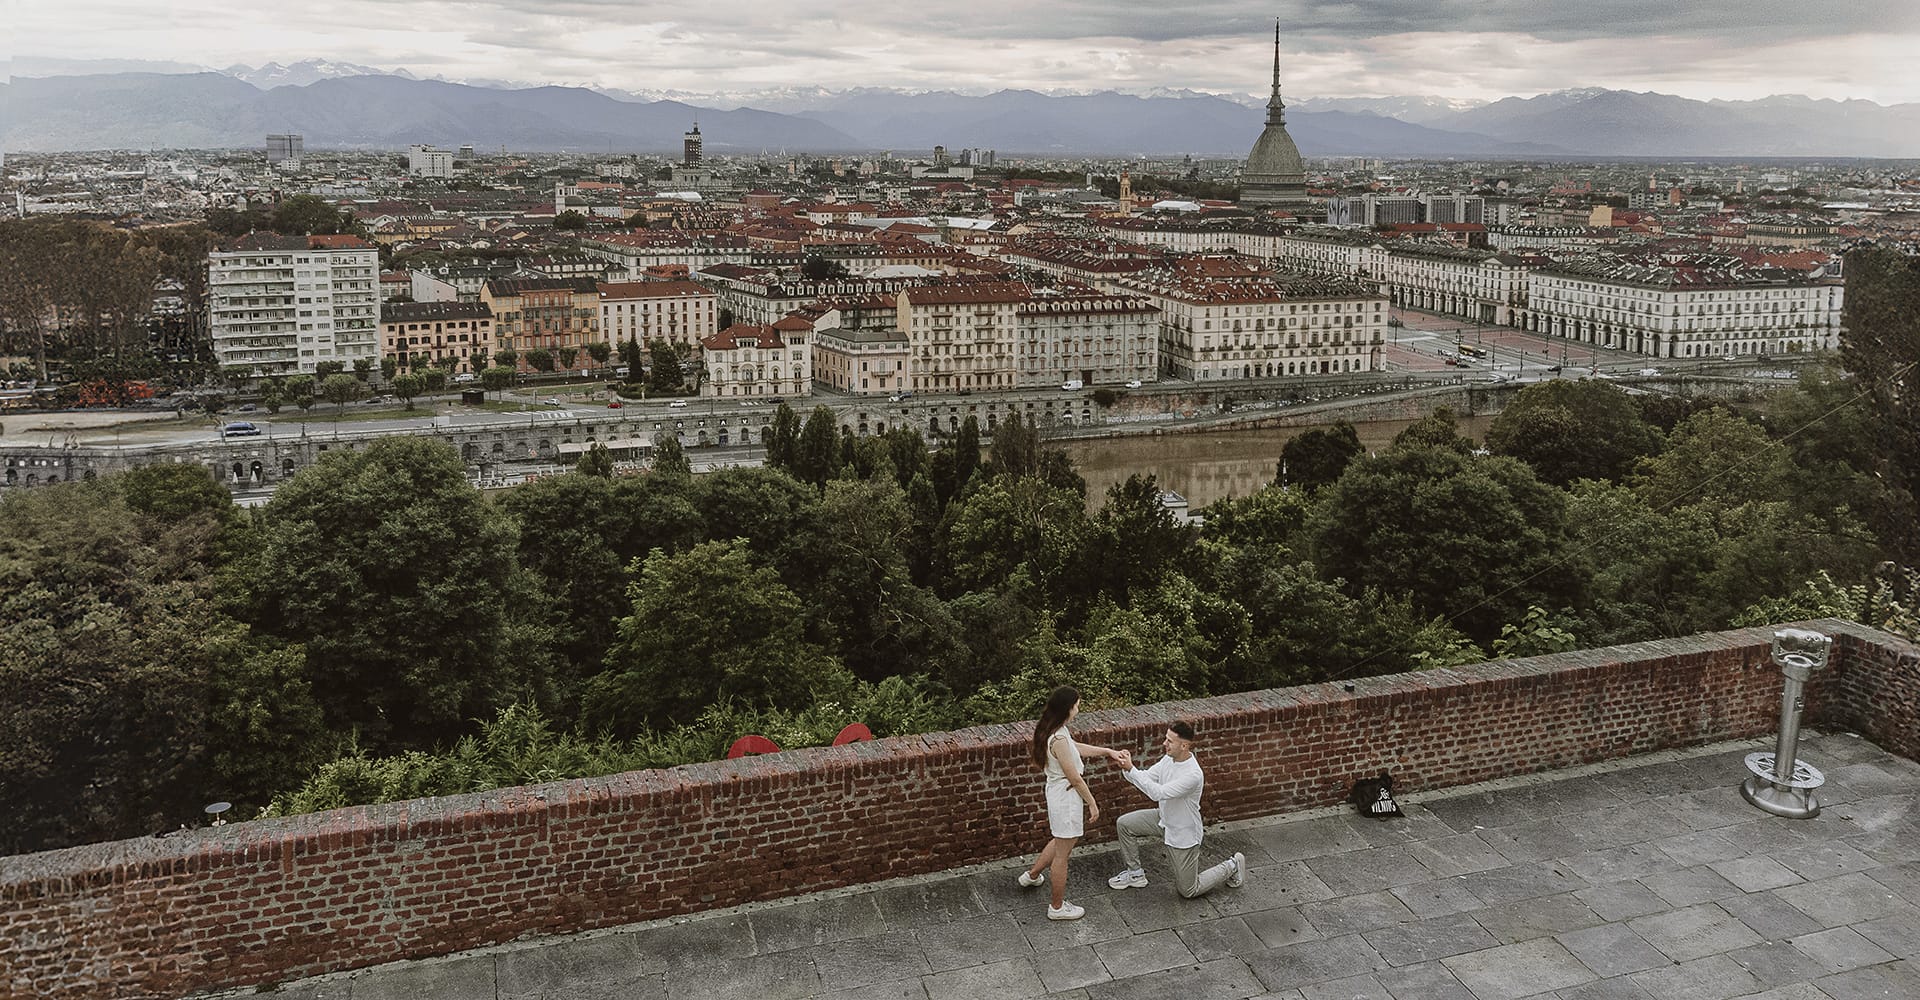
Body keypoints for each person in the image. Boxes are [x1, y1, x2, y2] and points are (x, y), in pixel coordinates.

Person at [1106, 721, 1246, 898]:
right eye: (1166, 739)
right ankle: (1135, 874)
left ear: (1184, 745)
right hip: (1163, 819)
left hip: (1183, 833)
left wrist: (1131, 769)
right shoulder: (1168, 759)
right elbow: (1146, 777)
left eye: (1169, 741)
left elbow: (1158, 793)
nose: (1164, 743)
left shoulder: (1193, 775)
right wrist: (1126, 767)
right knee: (1125, 824)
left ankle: (1233, 865)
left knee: (1188, 890)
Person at [1017, 686, 1122, 921]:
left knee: (1060, 840)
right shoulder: (1060, 738)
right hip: (1066, 798)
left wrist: (1107, 751)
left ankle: (1031, 876)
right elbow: (1074, 777)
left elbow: (1075, 749)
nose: (1078, 709)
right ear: (1068, 708)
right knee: (1063, 854)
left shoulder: (1055, 730)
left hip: (1058, 792)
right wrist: (1092, 803)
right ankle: (1056, 907)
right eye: (1076, 705)